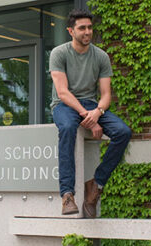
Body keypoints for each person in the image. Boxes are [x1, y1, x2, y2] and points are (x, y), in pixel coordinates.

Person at [50, 9, 132, 218]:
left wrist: (98, 112)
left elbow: (106, 95)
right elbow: (62, 92)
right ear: (71, 31)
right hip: (64, 105)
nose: (87, 32)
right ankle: (67, 194)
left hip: (92, 105)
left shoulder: (101, 56)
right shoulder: (59, 53)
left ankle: (96, 184)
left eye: (90, 27)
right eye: (82, 28)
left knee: (123, 132)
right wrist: (89, 117)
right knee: (68, 127)